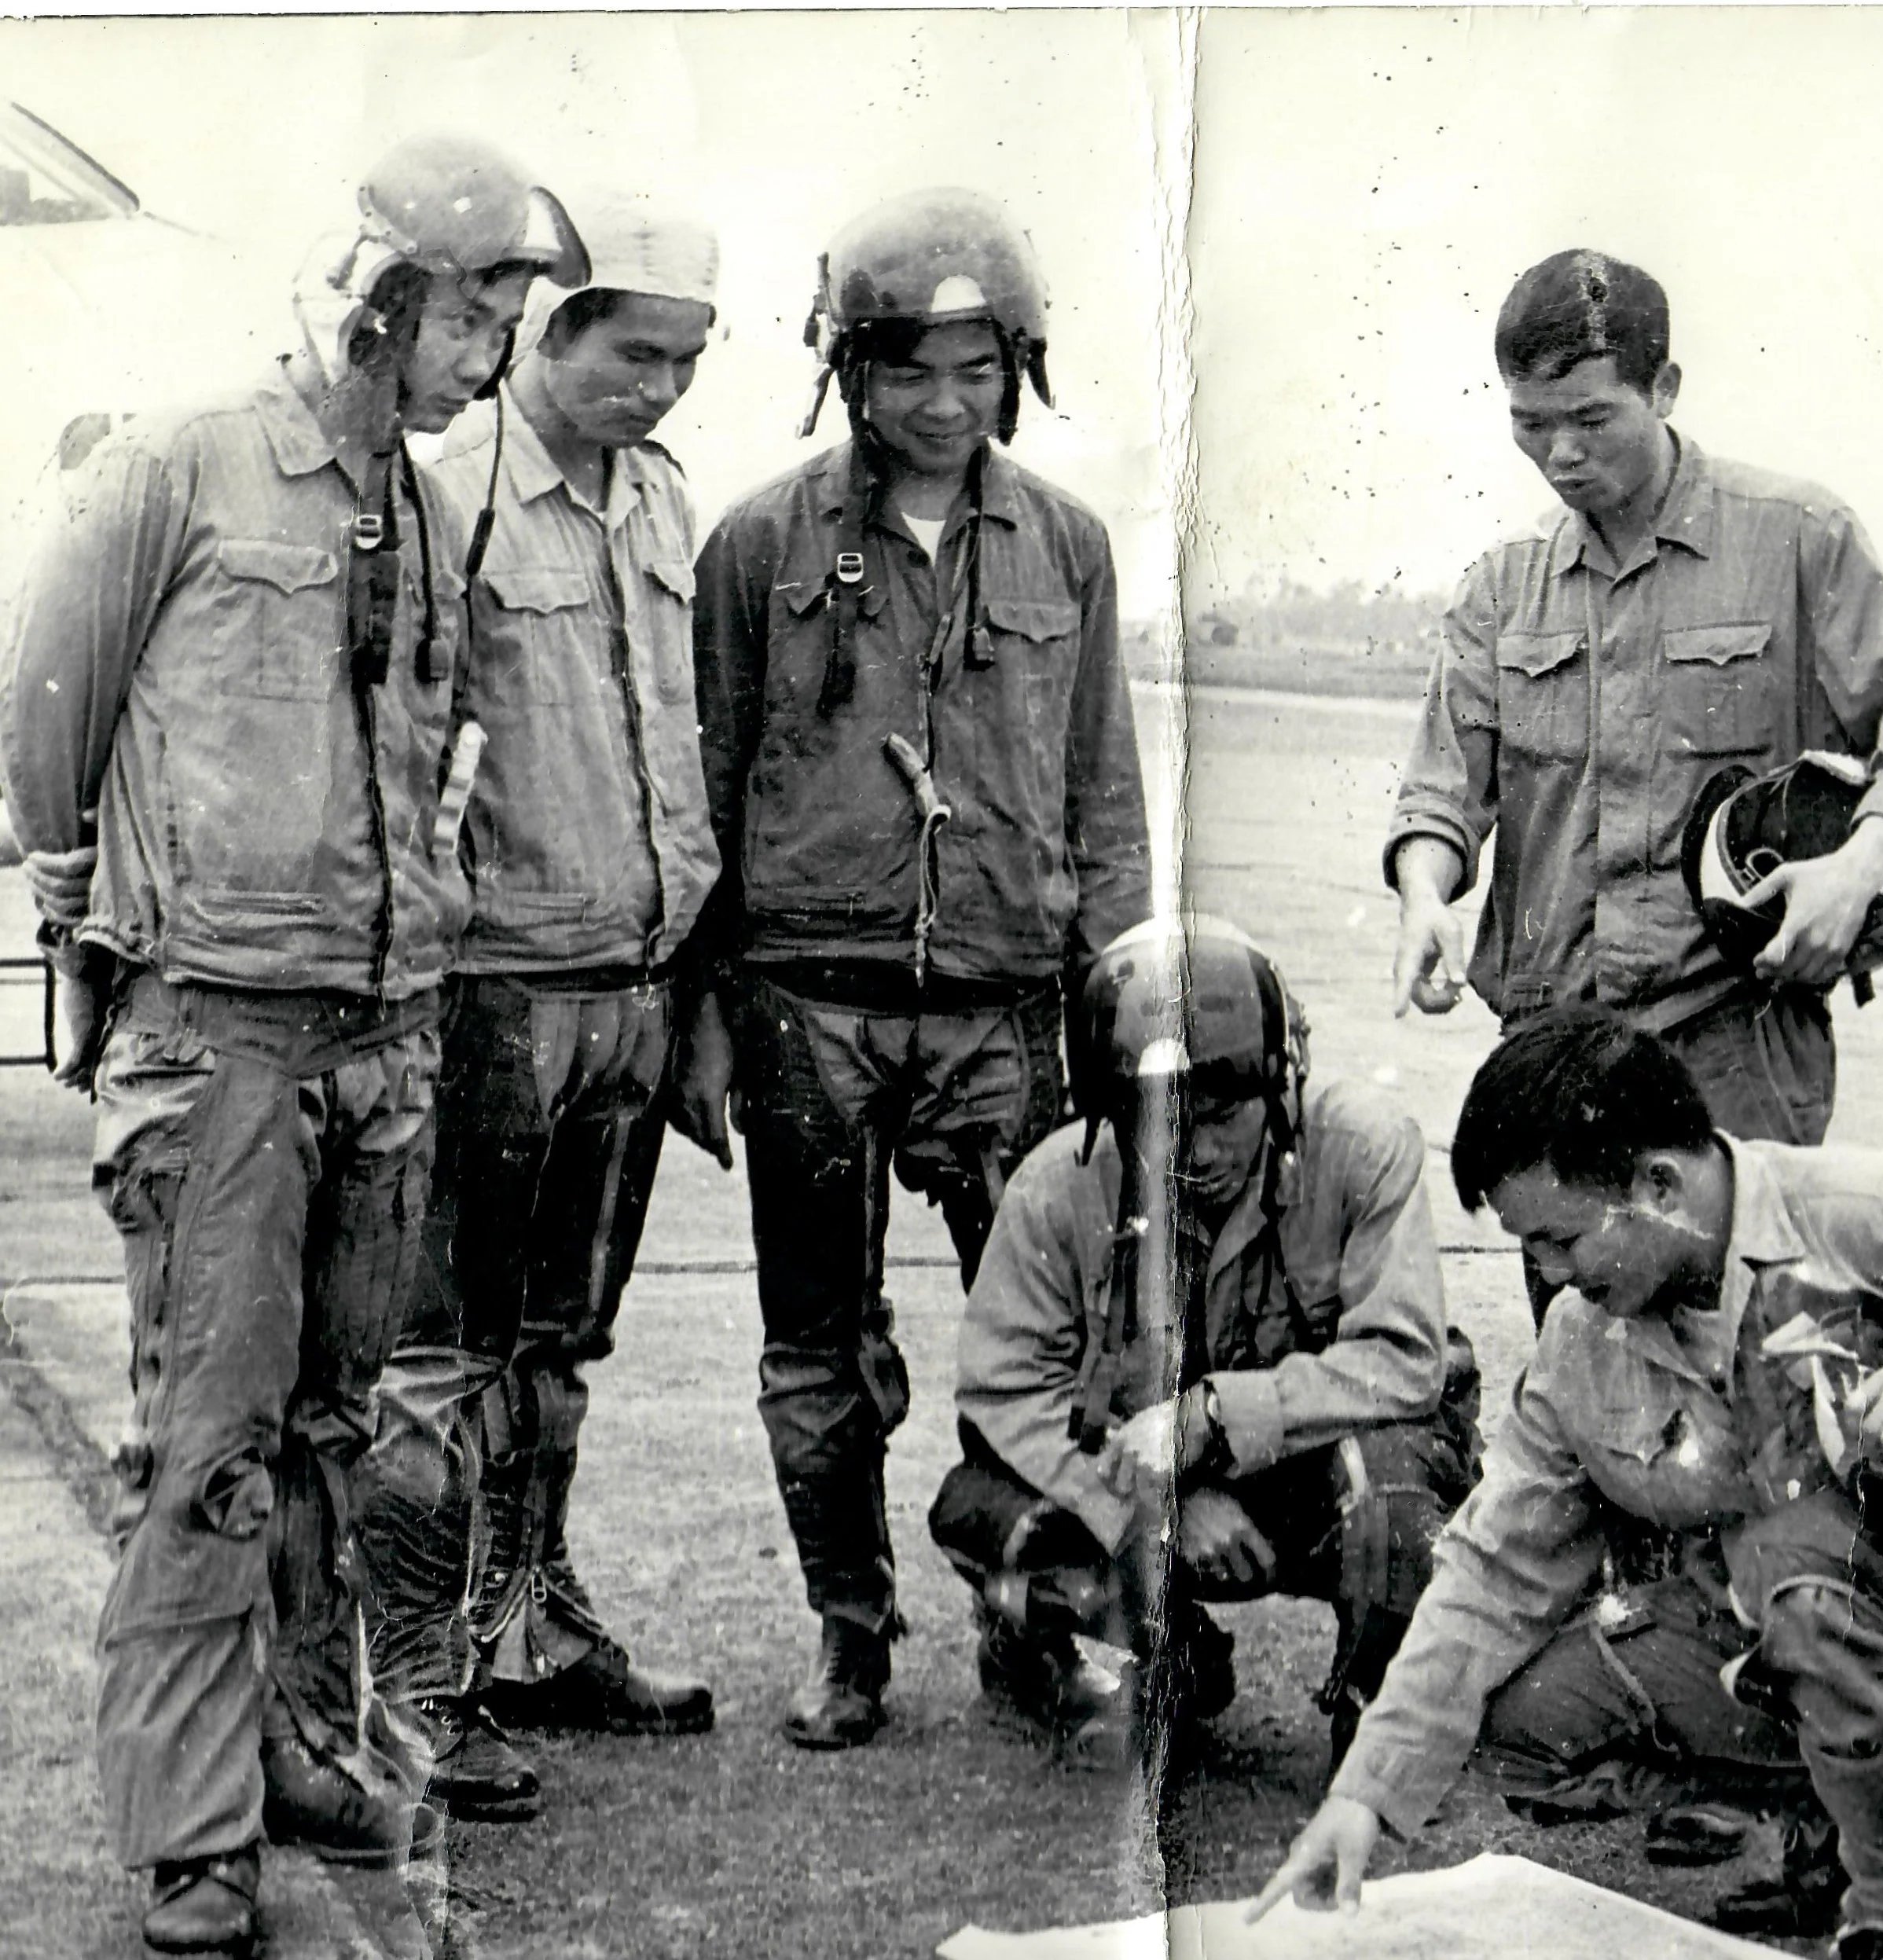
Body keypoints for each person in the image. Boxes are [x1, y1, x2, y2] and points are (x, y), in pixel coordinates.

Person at [0, 136, 576, 1958]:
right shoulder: (185, 461)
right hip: (222, 1042)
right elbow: (47, 707)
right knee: (212, 1445)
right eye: (476, 315)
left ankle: (306, 1743)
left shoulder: (413, 504)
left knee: (339, 1436)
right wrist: (94, 914)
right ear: (382, 292)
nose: (493, 354)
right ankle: (191, 1829)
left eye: (507, 323)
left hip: (380, 1042)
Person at [1252, 1007, 1883, 1960]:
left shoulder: (1868, 1216)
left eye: (1561, 1239)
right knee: (1523, 1715)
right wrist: (1360, 1799)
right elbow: (1489, 1571)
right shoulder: (1580, 1346)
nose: (1546, 1273)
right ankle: (1847, 1812)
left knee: (1796, 1561)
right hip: (1812, 1627)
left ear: (1659, 1184)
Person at [677, 189, 1152, 1750]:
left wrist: (1120, 1008)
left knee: (1044, 1338)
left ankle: (1028, 1623)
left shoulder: (1065, 546)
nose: (939, 406)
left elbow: (1103, 796)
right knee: (816, 1341)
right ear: (847, 370)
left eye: (971, 371)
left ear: (1014, 370)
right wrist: (705, 1007)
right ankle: (846, 1630)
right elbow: (713, 778)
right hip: (810, 1007)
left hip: (1008, 1016)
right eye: (904, 373)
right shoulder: (756, 542)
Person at [355, 189, 725, 1830]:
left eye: (687, 360)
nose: (659, 388)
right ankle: (414, 1683)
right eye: (633, 351)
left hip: (632, 987)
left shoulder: (658, 496)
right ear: (545, 333)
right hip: (492, 993)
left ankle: (531, 1622)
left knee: (561, 1348)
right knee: (441, 1354)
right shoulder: (446, 492)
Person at [1386, 249, 1883, 1181]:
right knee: (1575, 1319)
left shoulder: (1797, 539)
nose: (1561, 455)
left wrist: (1855, 874)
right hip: (1555, 1046)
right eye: (1529, 426)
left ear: (1663, 387)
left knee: (1738, 1318)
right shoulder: (1501, 588)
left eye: (1589, 419)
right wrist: (1423, 897)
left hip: (1733, 1048)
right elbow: (1440, 793)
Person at [929, 916, 1481, 1767]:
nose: (1196, 1151)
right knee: (986, 1510)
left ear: (1280, 1079)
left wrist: (1216, 1415)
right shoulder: (1054, 1190)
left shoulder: (1364, 1150)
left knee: (1397, 1490)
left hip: (1304, 1473)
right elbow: (1005, 1395)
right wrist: (1155, 1514)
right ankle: (1126, 1660)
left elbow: (1405, 1359)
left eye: (1224, 1114)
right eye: (1159, 1121)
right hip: (1143, 1485)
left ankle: (1382, 1713)